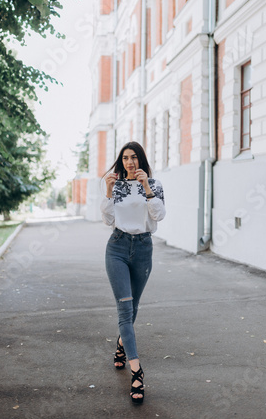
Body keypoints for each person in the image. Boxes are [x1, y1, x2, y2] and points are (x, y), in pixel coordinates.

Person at [100, 141, 166, 404]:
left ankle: (121, 348)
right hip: (116, 248)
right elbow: (107, 220)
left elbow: (158, 216)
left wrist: (147, 187)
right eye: (125, 158)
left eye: (134, 157)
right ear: (121, 161)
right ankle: (137, 371)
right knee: (125, 311)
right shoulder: (115, 185)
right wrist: (107, 191)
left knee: (134, 308)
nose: (130, 162)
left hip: (142, 249)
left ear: (141, 160)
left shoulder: (156, 184)